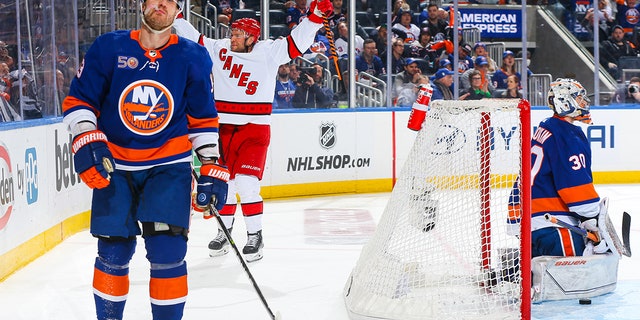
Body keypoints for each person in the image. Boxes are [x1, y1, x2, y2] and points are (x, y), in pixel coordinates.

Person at [61, 1, 229, 319]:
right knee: (112, 251)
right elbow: (79, 100)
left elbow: (203, 119)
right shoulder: (109, 48)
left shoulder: (193, 57)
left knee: (168, 252)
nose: (161, 4)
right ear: (143, 3)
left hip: (169, 167)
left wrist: (210, 163)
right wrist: (84, 136)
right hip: (116, 166)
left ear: (178, 7)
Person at [174, 0, 333, 261]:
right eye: (231, 33)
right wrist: (178, 16)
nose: (232, 37)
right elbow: (192, 38)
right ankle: (223, 232)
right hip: (222, 128)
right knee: (222, 182)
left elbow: (297, 42)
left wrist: (314, 18)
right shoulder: (219, 48)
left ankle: (254, 236)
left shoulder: (269, 51)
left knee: (247, 184)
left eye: (237, 34)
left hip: (255, 128)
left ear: (251, 37)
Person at [508, 78, 606, 258]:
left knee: (536, 276)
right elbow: (575, 187)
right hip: (552, 224)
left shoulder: (547, 128)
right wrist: (593, 217)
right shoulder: (567, 135)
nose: (584, 103)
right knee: (575, 276)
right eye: (578, 98)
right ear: (565, 102)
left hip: (528, 221)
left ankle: (511, 271)